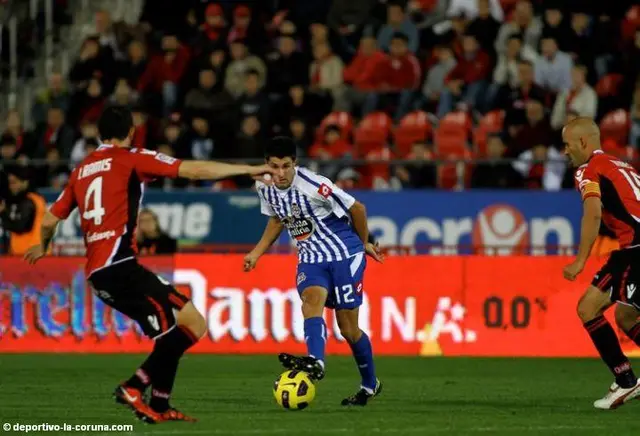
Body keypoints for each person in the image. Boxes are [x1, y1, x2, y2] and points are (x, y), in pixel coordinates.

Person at [23, 106, 273, 424]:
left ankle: (159, 406)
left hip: (104, 272)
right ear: (130, 132)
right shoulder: (131, 158)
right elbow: (192, 171)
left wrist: (43, 247)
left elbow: (48, 220)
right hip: (120, 267)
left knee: (191, 323)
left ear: (100, 134)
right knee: (173, 334)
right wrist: (246, 171)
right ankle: (132, 387)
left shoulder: (81, 170)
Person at [244, 137, 384, 406]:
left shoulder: (313, 185)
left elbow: (358, 208)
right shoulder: (263, 185)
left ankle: (370, 385)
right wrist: (257, 252)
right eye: (275, 166)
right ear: (266, 165)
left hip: (344, 254)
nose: (281, 173)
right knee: (311, 300)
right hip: (310, 257)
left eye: (286, 166)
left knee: (348, 328)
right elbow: (277, 218)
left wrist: (363, 242)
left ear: (295, 163)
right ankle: (316, 360)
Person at [562, 117, 640, 410]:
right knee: (614, 314)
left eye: (567, 145)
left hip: (636, 248)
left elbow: (593, 214)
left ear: (583, 142)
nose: (565, 152)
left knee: (599, 311)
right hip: (630, 250)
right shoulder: (618, 163)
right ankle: (626, 380)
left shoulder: (587, 170)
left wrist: (580, 260)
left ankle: (627, 382)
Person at [0, 165, 47, 256]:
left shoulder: (29, 202)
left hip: (28, 253)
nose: (11, 186)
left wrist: (3, 214)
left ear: (25, 182)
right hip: (33, 253)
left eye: (14, 182)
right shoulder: (35, 199)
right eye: (10, 183)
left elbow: (21, 227)